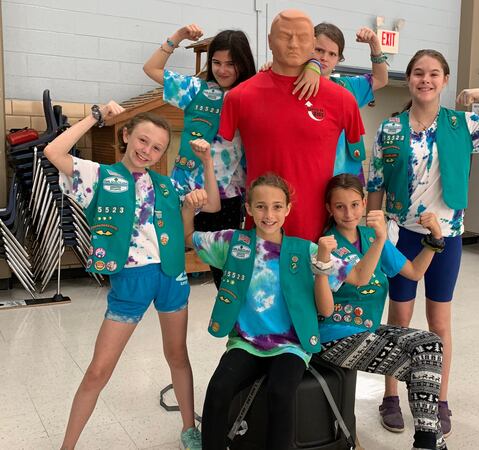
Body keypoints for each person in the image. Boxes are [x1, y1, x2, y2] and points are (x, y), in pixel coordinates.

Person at [367, 49, 479, 436]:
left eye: (434, 74)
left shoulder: (463, 125)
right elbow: (374, 185)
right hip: (400, 235)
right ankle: (391, 396)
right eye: (418, 73)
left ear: (444, 81)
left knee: (439, 322)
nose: (426, 80)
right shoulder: (390, 129)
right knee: (400, 320)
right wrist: (370, 237)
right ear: (408, 79)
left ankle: (439, 399)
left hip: (447, 236)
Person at [45, 101, 220, 450]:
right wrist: (96, 117)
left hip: (171, 276)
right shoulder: (99, 176)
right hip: (130, 280)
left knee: (177, 356)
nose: (147, 151)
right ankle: (67, 446)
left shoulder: (168, 186)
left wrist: (207, 165)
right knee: (99, 370)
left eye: (157, 148)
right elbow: (53, 150)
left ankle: (189, 429)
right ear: (126, 135)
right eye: (142, 141)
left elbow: (212, 205)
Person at [182, 173, 376, 450]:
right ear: (248, 209)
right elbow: (189, 237)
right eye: (260, 206)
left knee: (281, 392)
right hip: (246, 343)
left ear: (287, 209)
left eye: (276, 206)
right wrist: (188, 209)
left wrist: (379, 239)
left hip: (290, 346)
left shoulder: (305, 250)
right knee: (218, 390)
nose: (269, 214)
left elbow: (358, 276)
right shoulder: (233, 242)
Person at [143, 24, 320, 287]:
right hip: (185, 192)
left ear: (243, 63)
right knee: (168, 262)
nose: (222, 70)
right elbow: (152, 69)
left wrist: (314, 63)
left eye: (231, 63)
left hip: (227, 198)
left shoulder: (255, 93)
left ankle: (236, 320)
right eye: (216, 62)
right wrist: (178, 36)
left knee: (227, 272)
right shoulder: (196, 90)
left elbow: (293, 78)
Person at [315, 173, 446, 450]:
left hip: (368, 331)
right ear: (329, 208)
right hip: (334, 337)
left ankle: (427, 442)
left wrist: (435, 238)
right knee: (421, 370)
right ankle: (432, 442)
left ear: (364, 204)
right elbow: (361, 276)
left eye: (354, 204)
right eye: (339, 206)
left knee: (431, 345)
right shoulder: (327, 244)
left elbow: (414, 272)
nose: (348, 213)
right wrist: (380, 239)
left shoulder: (371, 236)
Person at [218, 9, 366, 242]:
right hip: (262, 234)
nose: (293, 44)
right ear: (269, 41)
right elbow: (222, 168)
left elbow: (356, 169)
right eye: (285, 35)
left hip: (320, 237)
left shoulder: (342, 100)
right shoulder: (239, 97)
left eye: (302, 37)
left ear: (312, 43)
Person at [313, 22, 388, 180]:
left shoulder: (348, 88)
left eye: (332, 54)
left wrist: (375, 45)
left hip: (345, 181)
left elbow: (381, 79)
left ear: (339, 59)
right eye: (319, 50)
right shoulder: (293, 86)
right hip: (308, 177)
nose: (324, 58)